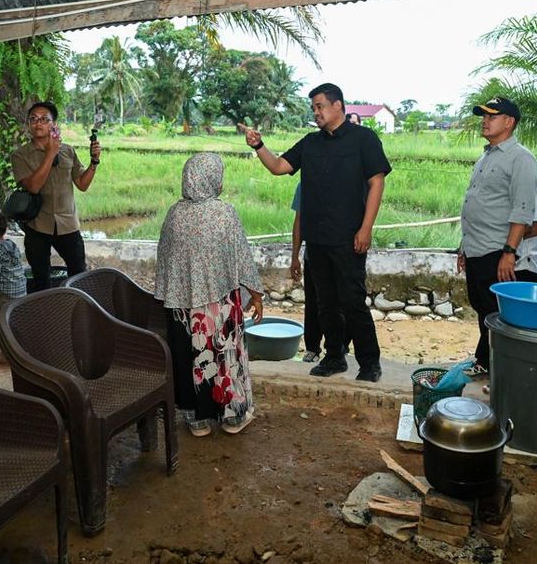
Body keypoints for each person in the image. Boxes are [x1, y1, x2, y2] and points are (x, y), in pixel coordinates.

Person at [242, 82, 390, 382]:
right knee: (325, 304)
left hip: (349, 239)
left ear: (338, 106)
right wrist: (258, 146)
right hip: (317, 241)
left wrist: (366, 228)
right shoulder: (310, 143)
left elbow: (377, 183)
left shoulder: (364, 139)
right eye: (314, 108)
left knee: (352, 302)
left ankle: (369, 363)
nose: (316, 112)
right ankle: (334, 357)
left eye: (320, 106)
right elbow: (280, 166)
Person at [155, 152, 265, 437]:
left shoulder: (174, 214)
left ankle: (197, 420)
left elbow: (164, 261)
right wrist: (256, 295)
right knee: (224, 356)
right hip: (218, 306)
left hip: (181, 308)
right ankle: (232, 418)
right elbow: (242, 258)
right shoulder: (224, 213)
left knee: (189, 358)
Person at [456, 96, 537, 375]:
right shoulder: (486, 156)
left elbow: (522, 211)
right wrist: (463, 248)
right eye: (484, 116)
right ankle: (486, 363)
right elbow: (475, 203)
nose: (485, 120)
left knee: (498, 315)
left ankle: (504, 372)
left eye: (492, 116)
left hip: (497, 251)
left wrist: (509, 252)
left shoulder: (521, 158)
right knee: (482, 309)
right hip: (476, 249)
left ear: (509, 122)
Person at [11, 101, 102, 291]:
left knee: (79, 275)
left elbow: (82, 184)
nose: (38, 123)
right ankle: (44, 317)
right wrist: (50, 154)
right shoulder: (20, 155)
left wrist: (94, 161)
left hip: (68, 225)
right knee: (41, 279)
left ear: (54, 124)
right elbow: (33, 187)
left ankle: (76, 314)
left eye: (44, 119)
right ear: (28, 124)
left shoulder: (68, 151)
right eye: (33, 119)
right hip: (37, 226)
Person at [289, 182, 351, 362]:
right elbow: (299, 220)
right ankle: (313, 348)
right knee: (314, 303)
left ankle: (339, 348)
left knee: (342, 303)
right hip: (314, 256)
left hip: (341, 255)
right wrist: (295, 257)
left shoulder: (349, 181)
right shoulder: (305, 185)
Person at [514, 182, 537, 282]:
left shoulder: (535, 190)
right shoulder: (517, 188)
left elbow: (534, 228)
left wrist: (505, 241)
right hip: (516, 264)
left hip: (525, 265)